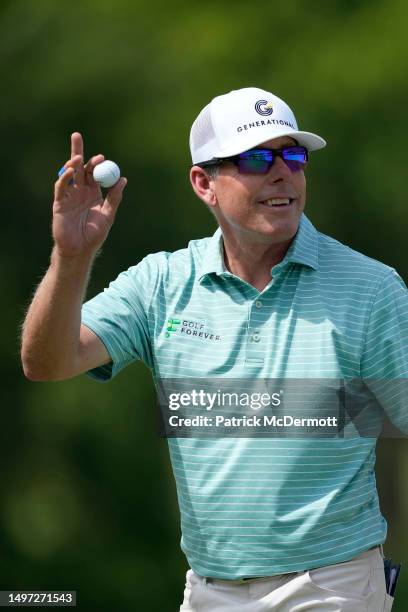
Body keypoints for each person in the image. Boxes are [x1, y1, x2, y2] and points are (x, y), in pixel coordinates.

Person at [21, 87, 406, 611]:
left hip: (332, 584)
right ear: (204, 183)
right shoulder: (161, 282)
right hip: (207, 589)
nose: (282, 173)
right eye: (255, 158)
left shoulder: (371, 288)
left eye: (293, 155)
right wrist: (71, 256)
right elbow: (47, 362)